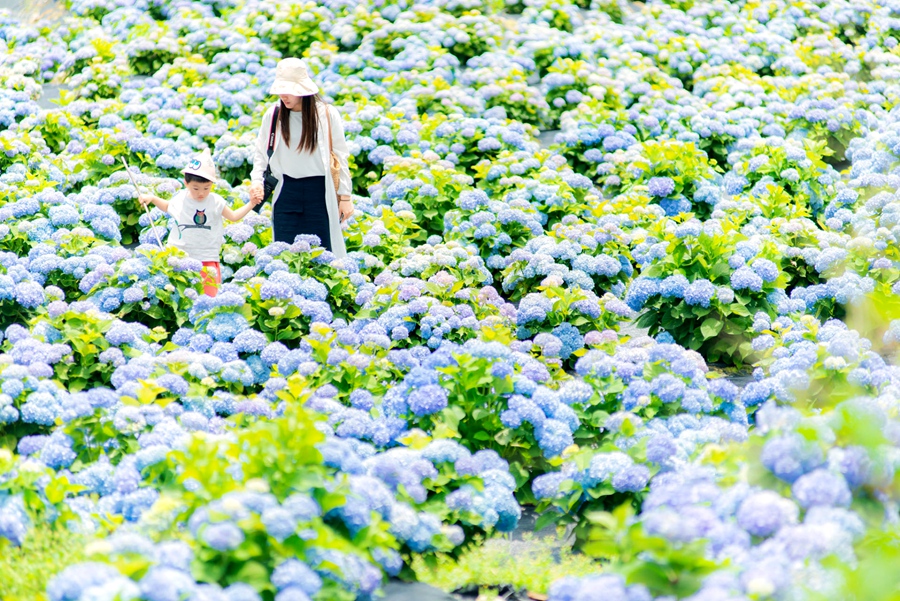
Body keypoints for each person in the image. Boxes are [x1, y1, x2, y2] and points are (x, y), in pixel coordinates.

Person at [249, 57, 353, 257]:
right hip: (286, 191)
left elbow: (340, 156)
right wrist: (256, 182)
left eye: (289, 90)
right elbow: (261, 154)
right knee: (285, 255)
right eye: (281, 90)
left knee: (322, 257)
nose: (283, 96)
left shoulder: (327, 114)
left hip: (319, 193)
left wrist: (345, 197)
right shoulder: (273, 115)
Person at [139, 149, 260, 297]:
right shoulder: (180, 199)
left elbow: (233, 216)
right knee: (181, 297)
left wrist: (251, 204)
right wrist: (152, 198)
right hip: (181, 257)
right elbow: (166, 206)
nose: (201, 193)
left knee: (209, 298)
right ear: (186, 182)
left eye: (206, 188)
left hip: (207, 258)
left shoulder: (216, 201)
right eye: (195, 188)